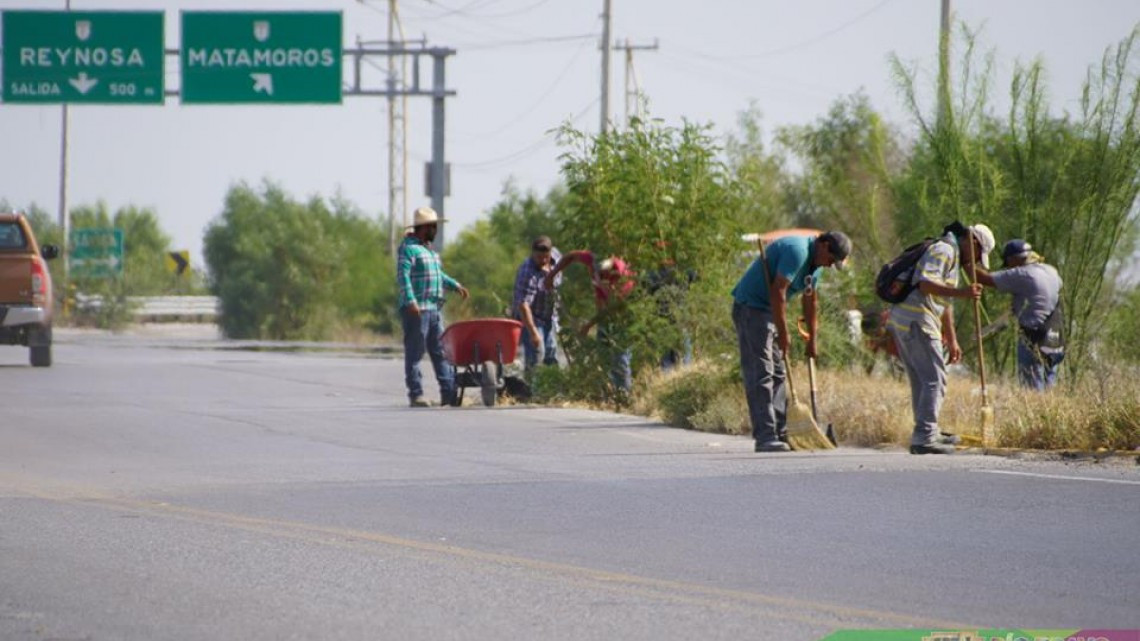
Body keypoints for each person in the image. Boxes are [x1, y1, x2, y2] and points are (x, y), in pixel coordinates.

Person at [732, 231, 852, 453]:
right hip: (752, 308)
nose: (829, 265)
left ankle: (780, 432)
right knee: (762, 372)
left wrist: (812, 339)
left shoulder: (815, 266)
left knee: (778, 373)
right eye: (830, 260)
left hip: (771, 311)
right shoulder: (797, 251)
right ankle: (765, 437)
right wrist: (783, 332)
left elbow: (810, 300)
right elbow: (778, 292)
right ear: (824, 246)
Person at [888, 222, 991, 455]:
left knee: (922, 380)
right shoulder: (945, 250)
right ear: (973, 242)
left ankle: (927, 432)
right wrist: (963, 293)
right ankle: (924, 437)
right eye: (977, 255)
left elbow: (945, 305)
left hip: (908, 320)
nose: (974, 262)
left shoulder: (951, 254)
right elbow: (925, 284)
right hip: (917, 319)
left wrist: (952, 340)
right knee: (935, 378)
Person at [397, 206, 469, 407]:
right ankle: (416, 394)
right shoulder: (408, 249)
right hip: (417, 309)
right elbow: (403, 277)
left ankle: (448, 393)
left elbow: (439, 275)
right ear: (424, 227)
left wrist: (455, 285)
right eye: (433, 227)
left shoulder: (430, 252)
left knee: (440, 351)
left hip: (434, 308)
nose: (436, 231)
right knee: (415, 352)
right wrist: (411, 300)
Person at [970, 239, 1064, 390]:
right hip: (1055, 339)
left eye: (1008, 264)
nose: (1008, 268)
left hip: (1033, 338)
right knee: (1049, 391)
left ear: (1012, 259)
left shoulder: (1021, 274)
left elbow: (982, 278)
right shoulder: (1051, 271)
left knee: (1032, 393)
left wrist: (964, 260)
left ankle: (1035, 413)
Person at [545, 250, 636, 392]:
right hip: (605, 313)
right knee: (602, 352)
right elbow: (570, 257)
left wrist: (588, 325)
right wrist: (552, 275)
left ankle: (624, 394)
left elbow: (614, 308)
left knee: (620, 357)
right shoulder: (592, 260)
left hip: (624, 316)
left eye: (604, 273)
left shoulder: (622, 277)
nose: (600, 275)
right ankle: (607, 392)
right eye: (597, 271)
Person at [513, 235, 562, 370]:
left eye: (546, 257)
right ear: (533, 254)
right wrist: (533, 332)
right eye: (539, 257)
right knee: (536, 353)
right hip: (531, 318)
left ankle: (553, 389)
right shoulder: (526, 271)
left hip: (550, 316)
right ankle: (532, 389)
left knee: (551, 353)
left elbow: (569, 259)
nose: (543, 260)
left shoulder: (556, 257)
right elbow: (523, 305)